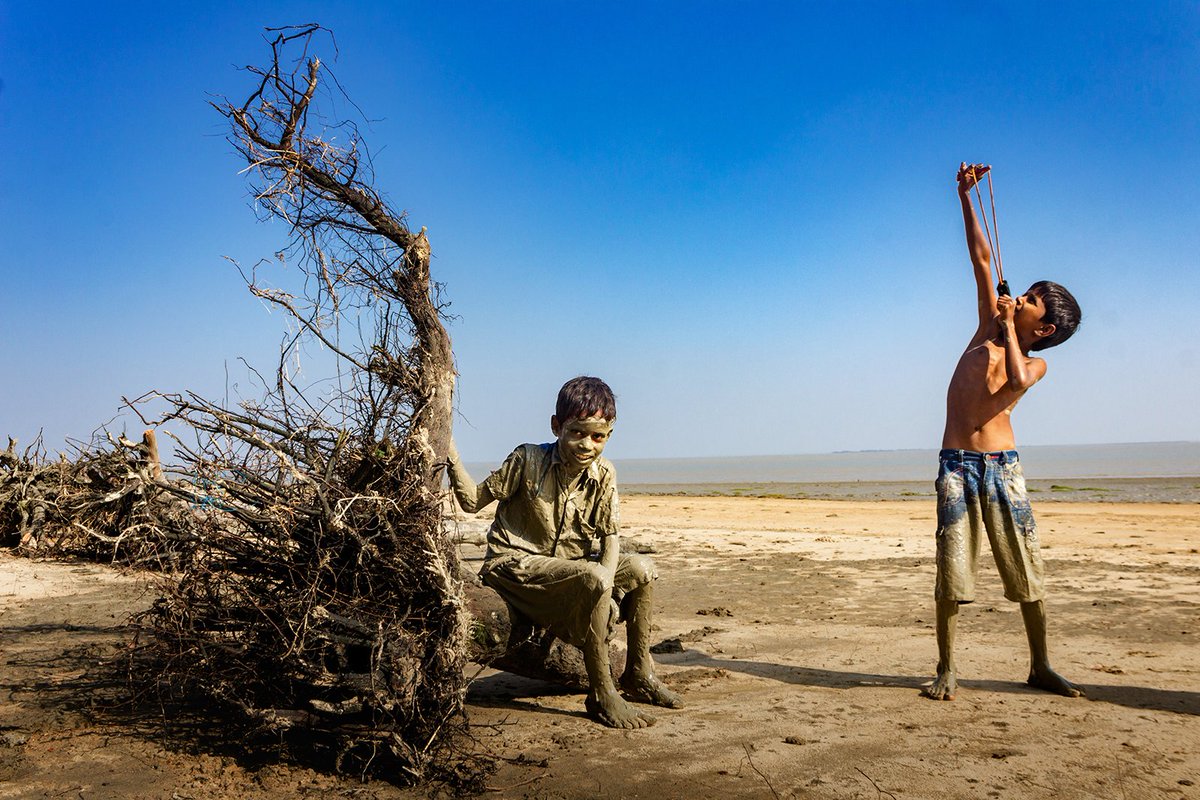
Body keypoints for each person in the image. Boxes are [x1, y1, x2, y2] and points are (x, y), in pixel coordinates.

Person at [924, 163, 1084, 702]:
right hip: (957, 465)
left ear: (1042, 330)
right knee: (952, 566)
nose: (1019, 297)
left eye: (1031, 300)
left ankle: (1040, 664)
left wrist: (1011, 332)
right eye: (1029, 291)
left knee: (1025, 568)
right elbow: (982, 259)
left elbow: (1016, 377)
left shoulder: (1035, 364)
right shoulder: (981, 332)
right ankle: (947, 666)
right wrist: (965, 195)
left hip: (1003, 470)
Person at [446, 376, 682, 728]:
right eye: (577, 432)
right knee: (593, 577)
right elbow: (471, 501)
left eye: (597, 436)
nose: (586, 445)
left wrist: (606, 586)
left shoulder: (604, 474)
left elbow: (610, 538)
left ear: (609, 435)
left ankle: (638, 672)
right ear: (557, 426)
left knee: (642, 569)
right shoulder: (527, 460)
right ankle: (602, 693)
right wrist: (448, 450)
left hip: (571, 569)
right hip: (515, 566)